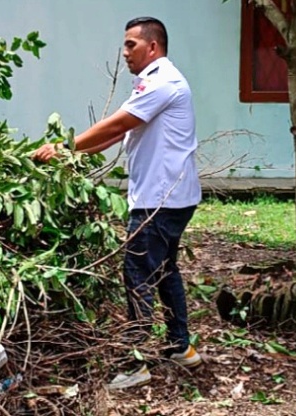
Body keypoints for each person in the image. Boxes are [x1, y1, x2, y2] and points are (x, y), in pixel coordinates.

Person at [33, 16, 202, 388]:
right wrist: (68, 156)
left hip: (159, 200)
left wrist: (63, 146)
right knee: (163, 271)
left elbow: (114, 125)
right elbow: (116, 134)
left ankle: (136, 363)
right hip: (172, 197)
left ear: (153, 47)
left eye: (131, 45)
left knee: (138, 275)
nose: (124, 52)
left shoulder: (164, 83)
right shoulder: (151, 82)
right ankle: (181, 348)